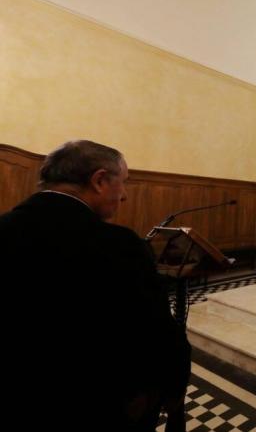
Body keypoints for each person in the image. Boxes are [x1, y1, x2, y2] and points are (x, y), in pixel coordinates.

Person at [0, 140, 190, 431]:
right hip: (98, 406)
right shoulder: (119, 245)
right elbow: (154, 329)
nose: (124, 195)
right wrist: (174, 389)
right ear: (99, 180)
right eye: (123, 183)